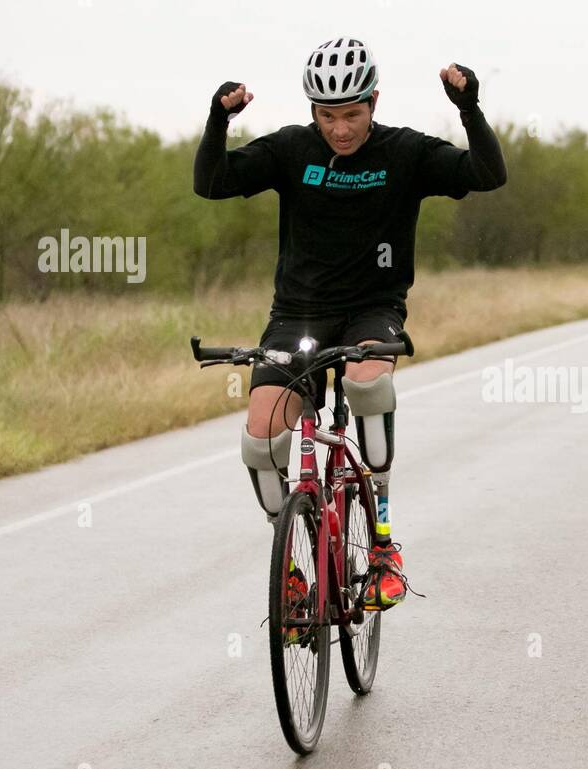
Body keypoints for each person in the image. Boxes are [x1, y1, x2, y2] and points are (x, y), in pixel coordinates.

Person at [193, 38, 507, 609]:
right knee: (259, 439)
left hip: (373, 308)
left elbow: (487, 175)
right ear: (313, 111)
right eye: (328, 116)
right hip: (297, 314)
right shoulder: (292, 150)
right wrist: (218, 120)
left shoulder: (404, 153)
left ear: (374, 102)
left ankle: (383, 544)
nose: (340, 129)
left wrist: (469, 109)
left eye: (352, 115)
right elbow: (211, 183)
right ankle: (290, 564)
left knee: (365, 379)